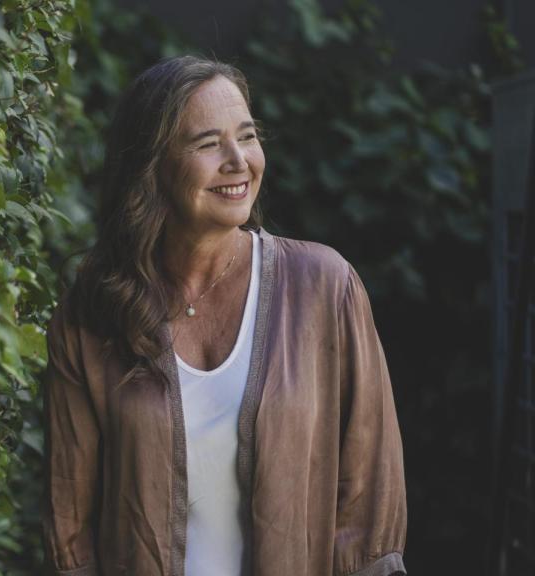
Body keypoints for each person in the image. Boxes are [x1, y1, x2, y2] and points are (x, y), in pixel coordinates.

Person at [41, 56, 407, 576]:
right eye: (208, 143)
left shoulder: (324, 288)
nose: (238, 160)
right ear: (152, 165)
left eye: (248, 136)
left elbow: (369, 506)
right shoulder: (96, 309)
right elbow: (69, 522)